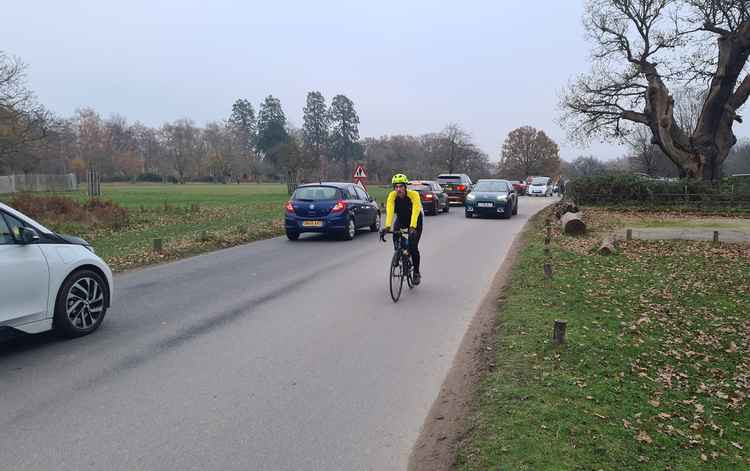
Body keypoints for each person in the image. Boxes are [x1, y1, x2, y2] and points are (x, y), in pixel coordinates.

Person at [380, 173, 424, 285]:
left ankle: (416, 273)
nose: (398, 189)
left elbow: (416, 210)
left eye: (401, 186)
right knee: (395, 233)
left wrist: (413, 227)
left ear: (405, 187)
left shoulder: (413, 195)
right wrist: (387, 227)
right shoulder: (392, 196)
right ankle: (399, 253)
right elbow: (390, 211)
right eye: (396, 187)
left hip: (415, 220)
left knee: (413, 247)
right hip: (401, 219)